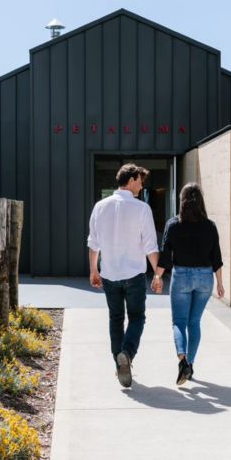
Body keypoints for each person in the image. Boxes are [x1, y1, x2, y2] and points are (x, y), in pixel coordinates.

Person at [88, 163, 161, 388]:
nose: (141, 186)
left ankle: (119, 364)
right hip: (134, 274)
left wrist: (94, 270)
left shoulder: (100, 206)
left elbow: (93, 243)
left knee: (116, 319)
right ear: (130, 180)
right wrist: (157, 275)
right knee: (137, 317)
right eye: (140, 181)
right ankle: (127, 355)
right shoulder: (142, 209)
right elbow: (150, 245)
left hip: (109, 273)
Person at [153, 182, 224, 386]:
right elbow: (216, 258)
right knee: (194, 323)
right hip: (204, 278)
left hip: (182, 276)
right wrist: (220, 283)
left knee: (179, 322)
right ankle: (190, 365)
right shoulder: (210, 226)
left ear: (182, 201)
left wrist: (158, 277)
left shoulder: (173, 224)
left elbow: (166, 256)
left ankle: (182, 360)